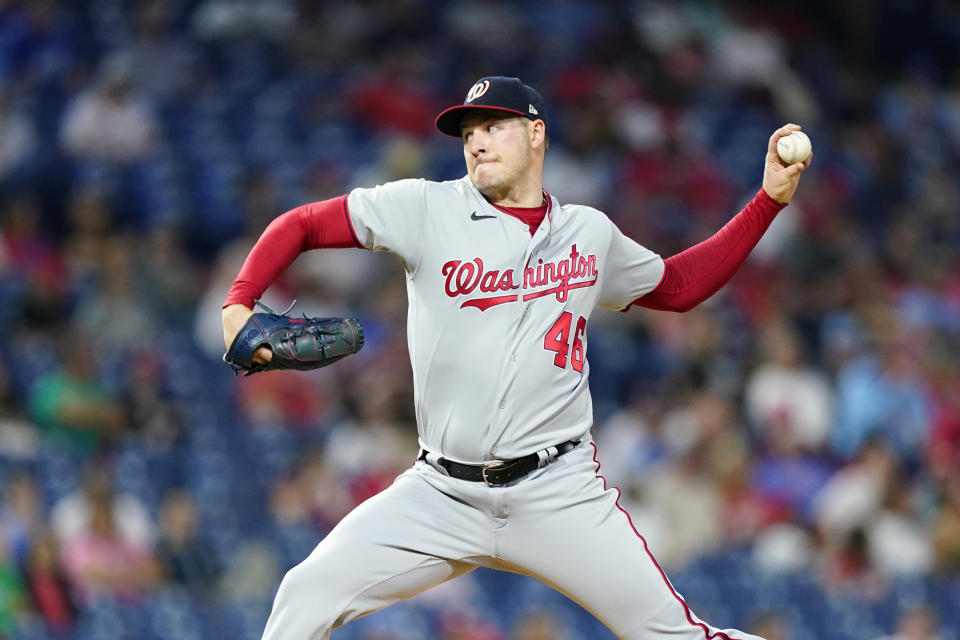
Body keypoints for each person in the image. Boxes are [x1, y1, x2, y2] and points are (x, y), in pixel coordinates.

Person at [221, 76, 809, 639]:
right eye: (469, 130)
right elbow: (301, 225)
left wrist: (767, 202)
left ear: (536, 134)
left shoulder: (588, 233)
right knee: (305, 595)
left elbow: (679, 286)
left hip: (558, 491)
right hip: (441, 493)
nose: (476, 139)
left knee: (675, 636)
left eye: (494, 125)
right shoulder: (426, 208)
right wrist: (239, 302)